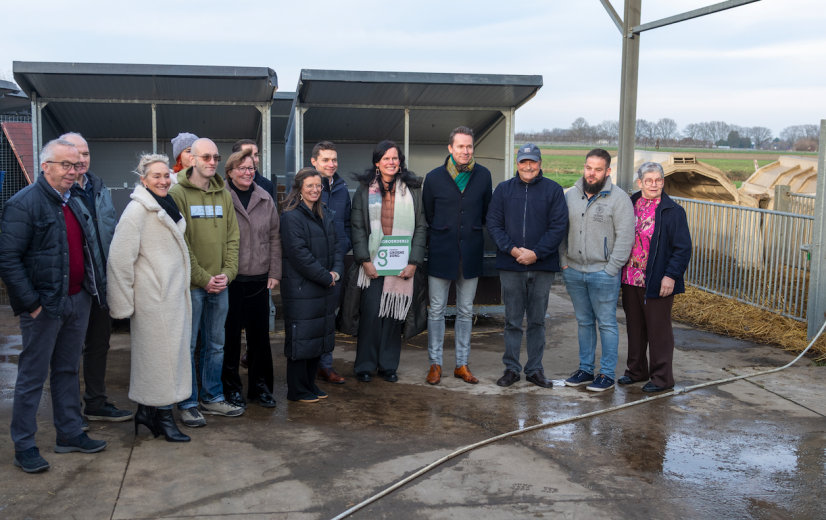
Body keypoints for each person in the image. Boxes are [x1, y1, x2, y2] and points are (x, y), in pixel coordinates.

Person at [0, 139, 108, 473]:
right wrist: (31, 304)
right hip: (45, 307)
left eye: (77, 166)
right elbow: (8, 259)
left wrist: (91, 292)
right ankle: (25, 445)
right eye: (66, 165)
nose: (74, 172)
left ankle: (70, 433)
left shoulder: (74, 200)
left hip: (78, 299)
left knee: (66, 370)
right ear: (45, 166)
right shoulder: (24, 204)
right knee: (32, 376)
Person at [106, 154, 192, 442]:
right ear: (142, 180)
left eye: (166, 175)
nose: (164, 180)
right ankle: (165, 418)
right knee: (163, 361)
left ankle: (146, 411)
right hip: (154, 300)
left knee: (159, 359)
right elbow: (119, 260)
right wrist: (123, 305)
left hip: (169, 296)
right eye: (156, 176)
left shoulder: (165, 204)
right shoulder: (136, 212)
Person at [169, 138, 243, 426]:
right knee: (188, 346)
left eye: (216, 157)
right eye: (206, 157)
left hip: (220, 285)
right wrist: (202, 278)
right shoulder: (177, 194)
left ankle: (212, 398)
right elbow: (180, 243)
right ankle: (187, 402)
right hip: (192, 287)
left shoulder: (224, 194)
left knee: (216, 344)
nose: (212, 162)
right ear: (193, 160)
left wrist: (228, 273)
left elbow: (233, 237)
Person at [61, 133, 132, 425]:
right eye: (76, 154)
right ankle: (67, 412)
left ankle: (96, 402)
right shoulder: (60, 193)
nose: (82, 159)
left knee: (99, 344)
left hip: (101, 282)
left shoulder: (99, 188)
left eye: (86, 153)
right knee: (68, 351)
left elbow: (111, 233)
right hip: (74, 286)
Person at [344, 140, 427, 383]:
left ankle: (388, 365)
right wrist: (363, 260)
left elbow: (421, 226)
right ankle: (365, 366)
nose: (391, 162)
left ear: (400, 162)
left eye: (395, 158)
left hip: (401, 263)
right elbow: (357, 225)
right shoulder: (364, 188)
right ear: (377, 163)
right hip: (373, 263)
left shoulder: (413, 189)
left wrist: (414, 261)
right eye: (386, 158)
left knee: (393, 314)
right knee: (371, 313)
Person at [487, 143, 568, 388]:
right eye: (524, 162)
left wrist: (537, 253)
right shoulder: (502, 190)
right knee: (512, 320)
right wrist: (512, 250)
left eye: (533, 161)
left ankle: (534, 369)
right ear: (517, 163)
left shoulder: (553, 191)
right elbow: (493, 224)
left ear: (540, 163)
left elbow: (558, 227)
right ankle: (511, 368)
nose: (528, 166)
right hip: (511, 266)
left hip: (542, 266)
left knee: (537, 321)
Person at [559, 148, 634, 392]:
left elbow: (625, 237)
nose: (592, 173)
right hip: (574, 270)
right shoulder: (571, 195)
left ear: (607, 171)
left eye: (598, 169)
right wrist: (563, 260)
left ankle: (607, 374)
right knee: (584, 321)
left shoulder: (619, 199)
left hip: (603, 273)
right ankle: (585, 369)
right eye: (588, 168)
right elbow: (560, 229)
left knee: (606, 323)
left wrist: (612, 268)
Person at [422, 126, 491, 385]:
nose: (465, 151)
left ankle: (461, 364)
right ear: (450, 148)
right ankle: (435, 364)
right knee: (437, 310)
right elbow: (429, 214)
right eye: (460, 146)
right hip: (442, 251)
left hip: (471, 252)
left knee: (465, 310)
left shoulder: (483, 175)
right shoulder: (434, 177)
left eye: (469, 146)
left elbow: (486, 212)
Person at [618, 162, 691, 393]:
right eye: (648, 180)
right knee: (635, 326)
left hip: (657, 280)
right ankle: (636, 370)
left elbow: (683, 248)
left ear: (663, 182)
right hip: (630, 277)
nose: (653, 184)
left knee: (658, 329)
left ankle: (662, 378)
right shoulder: (630, 204)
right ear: (639, 183)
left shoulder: (673, 211)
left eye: (658, 180)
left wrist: (670, 276)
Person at [222, 149, 282, 409]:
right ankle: (231, 388)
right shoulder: (221, 196)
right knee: (230, 337)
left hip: (258, 279)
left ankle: (260, 387)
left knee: (259, 338)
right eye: (242, 168)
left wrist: (274, 272)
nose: (247, 173)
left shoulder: (265, 198)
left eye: (250, 169)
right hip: (231, 279)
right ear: (230, 172)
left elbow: (274, 238)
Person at [279, 168, 344, 402]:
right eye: (310, 186)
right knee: (301, 339)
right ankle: (297, 390)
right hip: (302, 288)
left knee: (318, 337)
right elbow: (299, 255)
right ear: (299, 188)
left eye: (318, 186)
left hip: (324, 286)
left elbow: (337, 246)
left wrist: (336, 271)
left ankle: (310, 385)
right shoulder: (291, 216)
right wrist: (327, 277)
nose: (315, 190)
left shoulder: (325, 213)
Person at [311, 141, 351, 384]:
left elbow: (346, 224)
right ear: (314, 161)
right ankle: (307, 365)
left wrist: (342, 248)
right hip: (312, 264)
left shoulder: (342, 188)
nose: (331, 164)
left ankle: (325, 366)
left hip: (335, 263)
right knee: (310, 316)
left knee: (329, 316)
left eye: (334, 159)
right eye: (326, 160)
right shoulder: (306, 187)